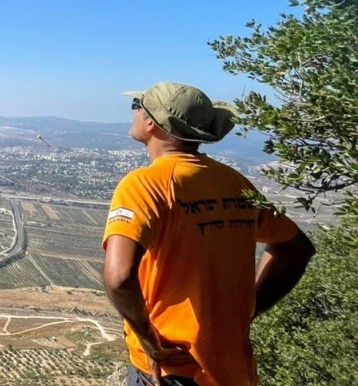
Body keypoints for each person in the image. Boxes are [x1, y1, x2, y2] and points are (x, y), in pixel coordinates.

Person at [102, 82, 315, 386]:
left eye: (137, 105)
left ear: (151, 122)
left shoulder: (144, 185)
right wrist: (249, 308)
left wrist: (148, 339)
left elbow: (119, 277)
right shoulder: (234, 182)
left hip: (172, 371)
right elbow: (296, 249)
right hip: (232, 368)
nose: (134, 112)